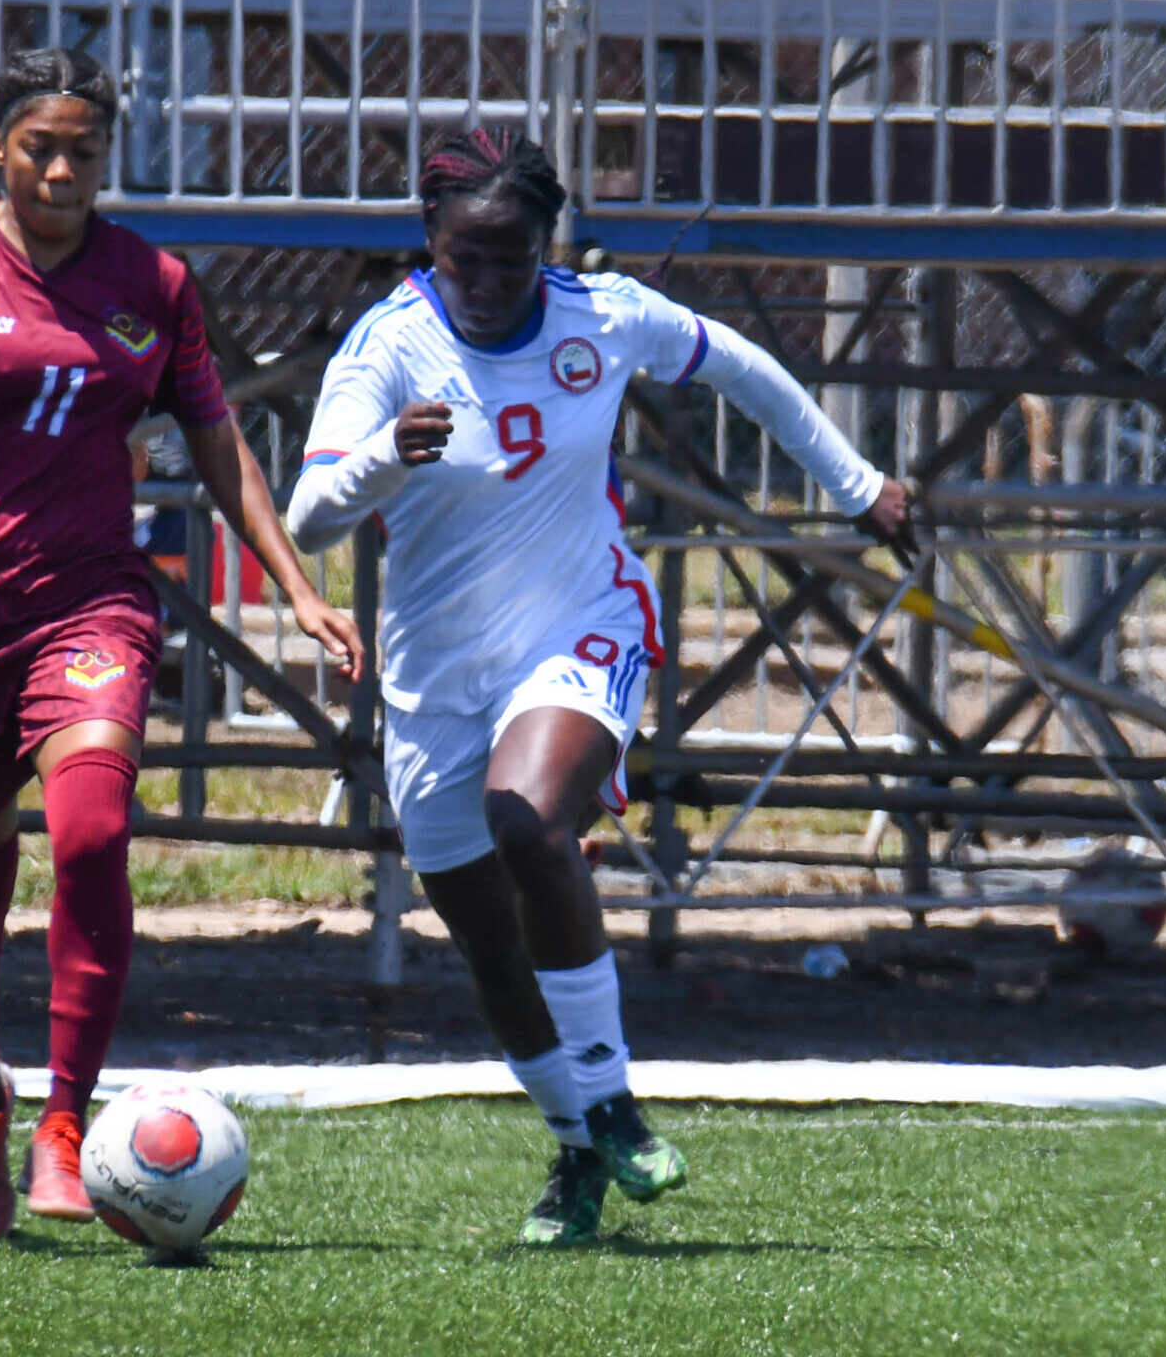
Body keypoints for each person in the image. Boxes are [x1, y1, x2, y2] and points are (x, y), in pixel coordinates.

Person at [286, 128, 912, 1245]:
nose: (483, 283)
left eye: (509, 259)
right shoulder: (386, 348)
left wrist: (857, 483)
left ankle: (613, 1099)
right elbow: (309, 514)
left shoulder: (603, 314)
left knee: (524, 824)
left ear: (546, 247)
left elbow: (741, 367)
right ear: (427, 244)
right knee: (486, 943)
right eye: (462, 259)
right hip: (436, 676)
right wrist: (387, 452)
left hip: (582, 627)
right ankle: (574, 1144)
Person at [0, 47, 362, 1242]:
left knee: (95, 830)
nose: (59, 169)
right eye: (39, 146)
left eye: (83, 151)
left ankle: (65, 1124)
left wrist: (298, 590)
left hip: (90, 602)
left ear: (110, 159)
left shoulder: (150, 283)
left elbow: (217, 441)